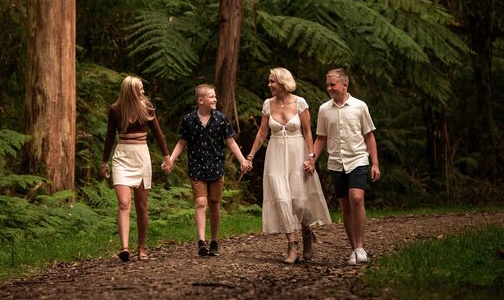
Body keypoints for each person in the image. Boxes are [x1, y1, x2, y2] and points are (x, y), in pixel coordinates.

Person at [246, 68, 332, 264]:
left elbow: (309, 133)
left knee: (299, 201)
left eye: (272, 81)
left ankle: (307, 233)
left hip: (297, 153)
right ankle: (292, 245)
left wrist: (311, 158)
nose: (269, 85)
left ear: (283, 82)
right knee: (283, 200)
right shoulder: (268, 104)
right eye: (269, 82)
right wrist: (250, 156)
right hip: (275, 155)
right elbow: (261, 133)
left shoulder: (300, 102)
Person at [162, 84, 252, 257]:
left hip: (216, 166)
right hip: (196, 167)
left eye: (215, 96)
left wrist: (242, 161)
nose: (215, 99)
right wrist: (170, 161)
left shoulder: (220, 118)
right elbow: (182, 142)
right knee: (200, 202)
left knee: (215, 204)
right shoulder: (188, 120)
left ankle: (214, 241)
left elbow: (231, 142)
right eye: (211, 97)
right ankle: (201, 242)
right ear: (201, 100)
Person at [308, 68, 380, 266]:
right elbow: (321, 138)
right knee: (345, 206)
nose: (329, 88)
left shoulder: (359, 106)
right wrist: (312, 158)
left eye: (333, 85)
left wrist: (375, 163)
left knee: (357, 198)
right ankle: (353, 249)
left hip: (357, 158)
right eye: (328, 85)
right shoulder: (324, 109)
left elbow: (369, 135)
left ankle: (360, 247)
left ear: (344, 84)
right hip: (336, 162)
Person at [102, 76, 172, 262]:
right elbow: (110, 137)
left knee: (141, 206)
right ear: (131, 91)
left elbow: (157, 133)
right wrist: (104, 162)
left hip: (141, 157)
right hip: (122, 158)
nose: (143, 92)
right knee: (124, 204)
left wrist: (167, 157)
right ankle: (125, 247)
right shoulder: (115, 110)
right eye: (140, 89)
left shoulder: (147, 107)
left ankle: (141, 248)